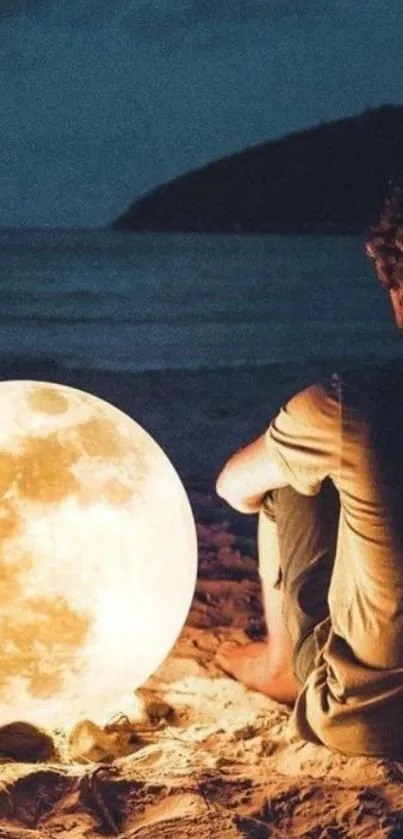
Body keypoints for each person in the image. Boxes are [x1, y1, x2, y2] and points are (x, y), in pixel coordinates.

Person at [215, 178, 403, 759]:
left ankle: (281, 666)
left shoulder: (351, 407)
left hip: (371, 719)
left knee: (289, 482)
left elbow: (232, 487)